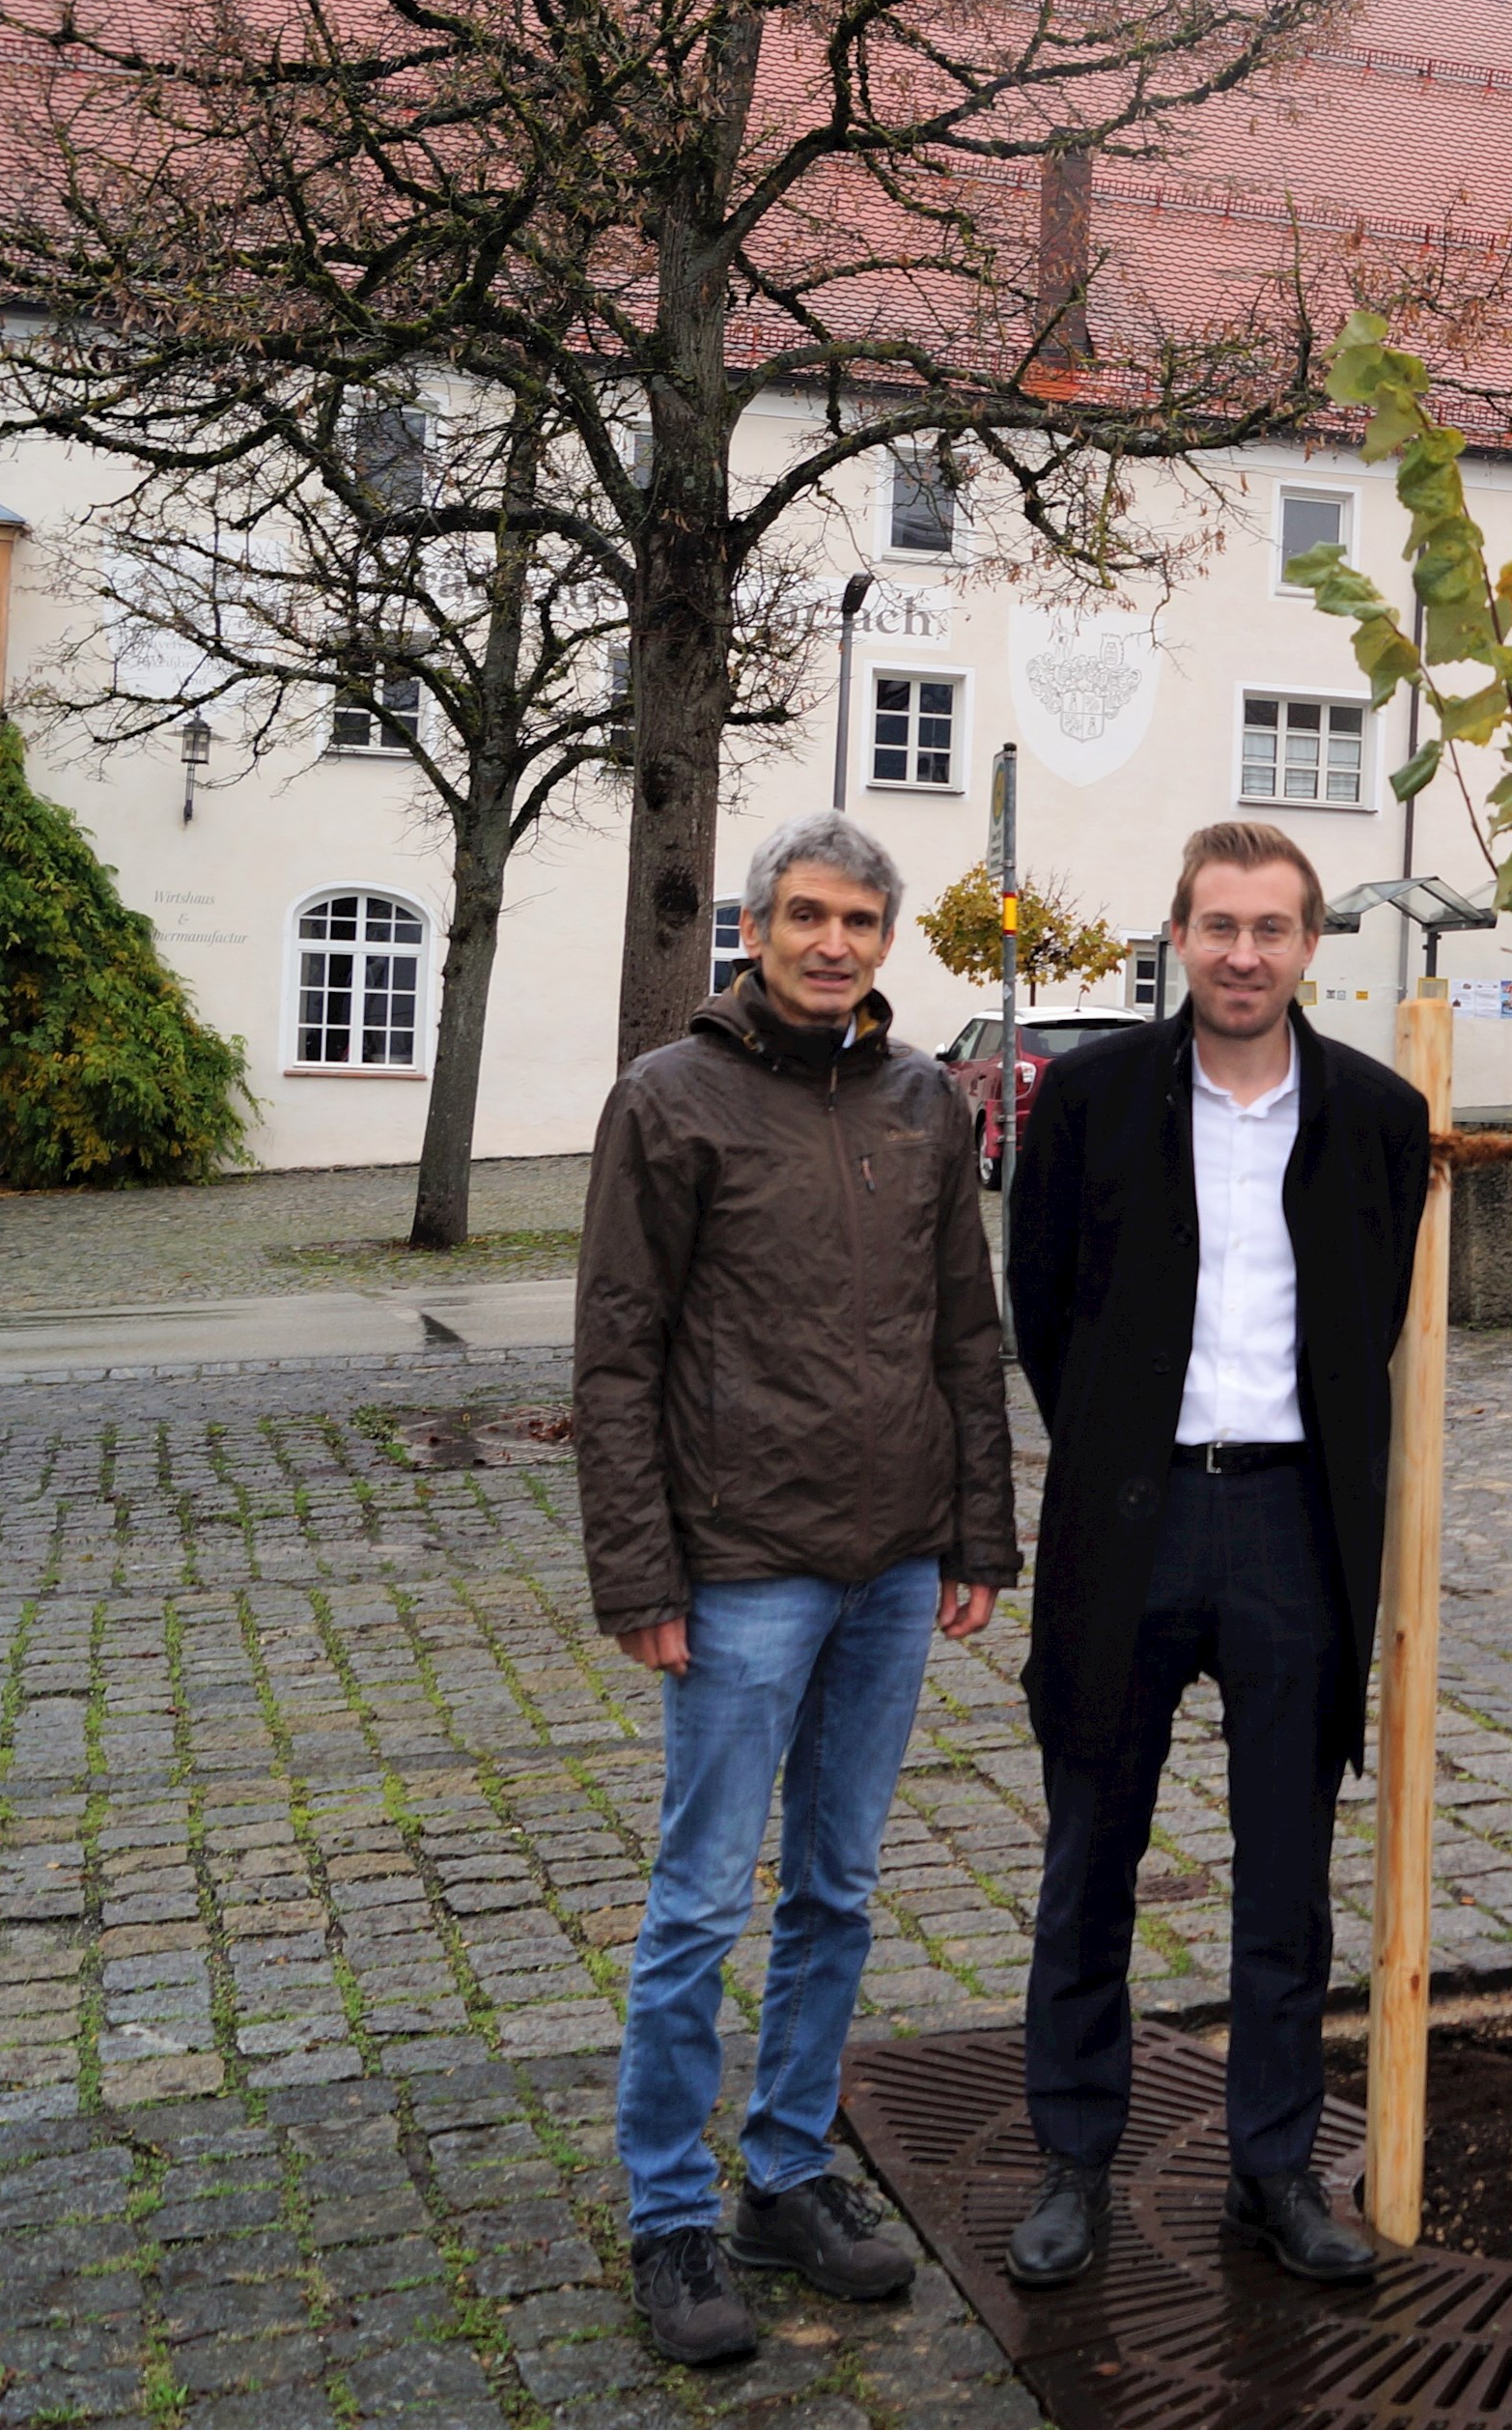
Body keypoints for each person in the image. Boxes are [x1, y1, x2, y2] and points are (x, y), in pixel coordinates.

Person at [575, 810, 1017, 2367]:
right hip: (743, 1565)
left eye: (863, 921)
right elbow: (618, 1348)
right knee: (698, 1901)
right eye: (808, 915)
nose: (835, 942)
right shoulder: (671, 1098)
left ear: (889, 942)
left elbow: (968, 1329)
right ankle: (669, 2210)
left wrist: (977, 1535)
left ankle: (785, 2174)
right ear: (753, 927)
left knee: (835, 1887)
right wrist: (639, 1567)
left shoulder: (919, 1097)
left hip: (894, 1560)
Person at [999, 822, 1431, 2292]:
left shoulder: (1379, 1113)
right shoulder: (1091, 1098)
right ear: (1177, 936)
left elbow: (1366, 1317)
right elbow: (1041, 1302)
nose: (1243, 953)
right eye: (1218, 925)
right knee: (1091, 1856)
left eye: (1272, 928)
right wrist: (1126, 1446)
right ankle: (1074, 2157)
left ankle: (1272, 2165)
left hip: (1294, 1526)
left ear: (1313, 945)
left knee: (1286, 1876)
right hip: (1131, 1516)